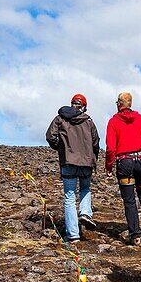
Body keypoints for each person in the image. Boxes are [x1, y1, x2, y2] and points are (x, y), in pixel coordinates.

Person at [45, 93, 100, 243]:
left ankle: (73, 235)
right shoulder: (88, 121)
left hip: (68, 161)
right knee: (85, 189)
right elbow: (96, 142)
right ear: (84, 106)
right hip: (86, 162)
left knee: (69, 196)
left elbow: (50, 136)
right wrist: (93, 158)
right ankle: (85, 213)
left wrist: (61, 148)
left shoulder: (60, 118)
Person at [105, 91, 141, 245]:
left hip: (124, 162)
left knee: (129, 200)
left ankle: (135, 235)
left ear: (119, 104)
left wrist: (108, 166)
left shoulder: (113, 122)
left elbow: (110, 148)